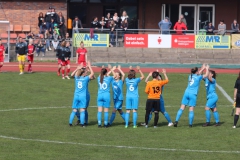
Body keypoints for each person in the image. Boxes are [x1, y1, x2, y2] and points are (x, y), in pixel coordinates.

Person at [69, 61, 94, 127]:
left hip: (76, 96)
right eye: (85, 71)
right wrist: (90, 66)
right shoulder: (85, 79)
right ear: (83, 73)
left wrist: (77, 68)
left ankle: (70, 123)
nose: (86, 72)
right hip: (83, 96)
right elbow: (92, 74)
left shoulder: (77, 78)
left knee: (74, 109)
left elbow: (72, 75)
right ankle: (83, 124)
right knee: (83, 109)